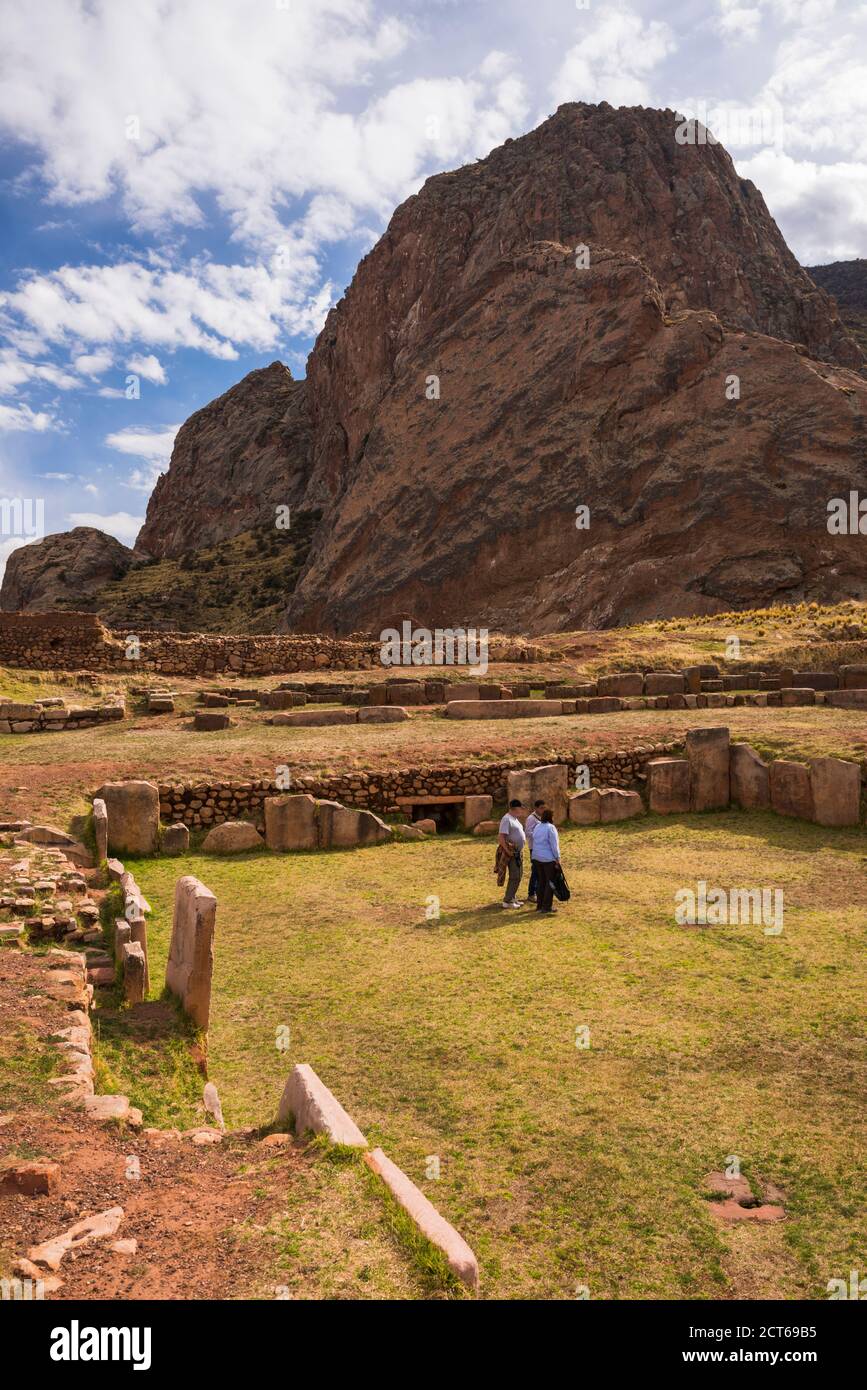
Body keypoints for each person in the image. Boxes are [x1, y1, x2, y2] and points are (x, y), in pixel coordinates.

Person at [530, 808, 561, 914]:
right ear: (550, 817)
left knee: (541, 881)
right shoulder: (551, 828)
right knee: (550, 882)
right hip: (548, 859)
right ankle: (546, 906)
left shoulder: (537, 826)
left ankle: (539, 905)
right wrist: (557, 858)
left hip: (537, 857)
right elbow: (554, 845)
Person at [497, 798, 526, 908]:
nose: (521, 810)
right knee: (514, 876)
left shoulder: (514, 818)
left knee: (518, 875)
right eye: (520, 808)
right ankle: (507, 901)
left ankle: (512, 897)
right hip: (512, 852)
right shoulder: (506, 819)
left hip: (517, 852)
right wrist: (508, 851)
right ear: (515, 808)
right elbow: (501, 837)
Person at [524, 799, 546, 902]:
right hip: (534, 848)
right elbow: (528, 832)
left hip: (542, 848)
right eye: (541, 808)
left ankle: (539, 892)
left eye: (544, 808)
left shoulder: (542, 818)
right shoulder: (531, 819)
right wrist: (540, 835)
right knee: (536, 871)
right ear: (536, 808)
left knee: (541, 871)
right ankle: (531, 893)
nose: (543, 810)